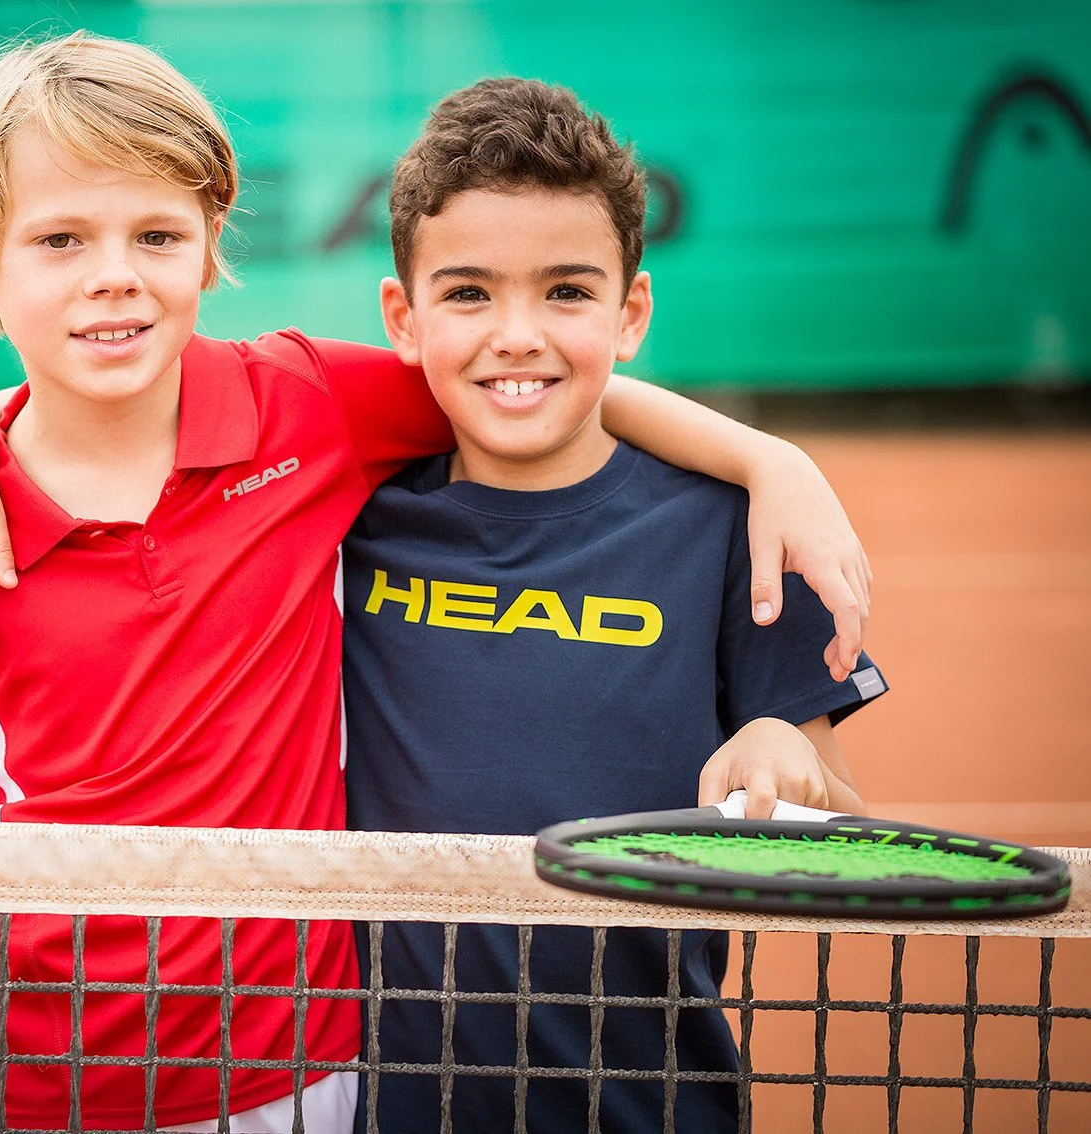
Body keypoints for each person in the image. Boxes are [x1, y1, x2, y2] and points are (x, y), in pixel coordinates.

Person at [0, 33, 873, 1133]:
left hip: (292, 1077)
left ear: (211, 245)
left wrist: (770, 456)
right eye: (60, 241)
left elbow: (520, 371)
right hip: (16, 1078)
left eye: (156, 236)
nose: (115, 277)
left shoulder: (307, 409)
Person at [340, 77, 886, 1130]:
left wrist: (780, 750)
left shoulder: (736, 527)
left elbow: (838, 815)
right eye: (467, 294)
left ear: (629, 312)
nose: (516, 335)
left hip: (651, 1104)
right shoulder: (351, 518)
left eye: (566, 292)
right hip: (392, 1108)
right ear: (401, 319)